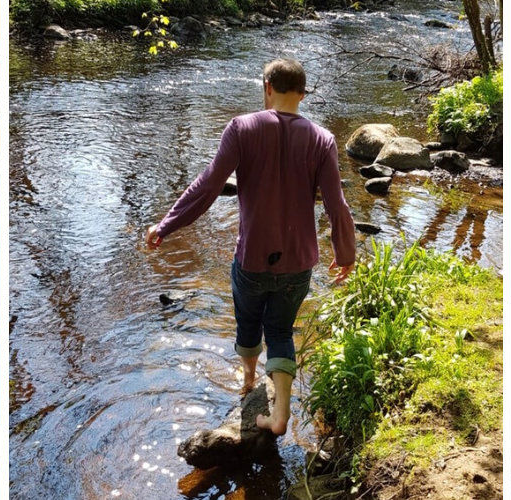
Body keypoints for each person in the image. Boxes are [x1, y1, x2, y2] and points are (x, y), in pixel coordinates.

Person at [145, 58, 356, 437]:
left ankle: (247, 379)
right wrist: (346, 255)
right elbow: (336, 204)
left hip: (252, 260)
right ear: (303, 95)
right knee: (280, 329)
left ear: (267, 87)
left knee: (247, 321)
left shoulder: (242, 128)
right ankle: (280, 416)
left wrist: (166, 225)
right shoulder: (323, 139)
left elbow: (208, 185)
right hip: (298, 263)